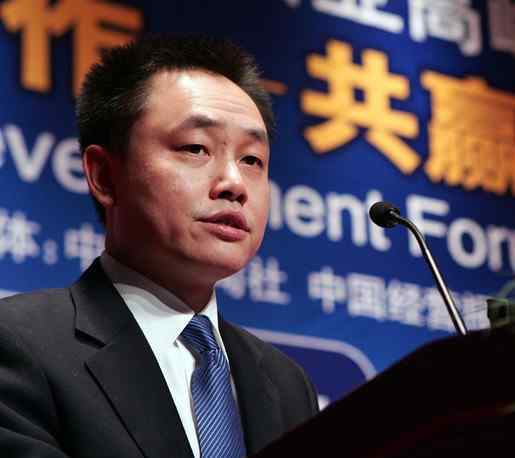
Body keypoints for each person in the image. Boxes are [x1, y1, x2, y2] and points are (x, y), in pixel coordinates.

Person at [0, 35, 318, 458]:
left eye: (252, 160)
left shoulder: (287, 385)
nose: (234, 183)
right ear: (104, 176)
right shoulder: (17, 343)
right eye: (196, 148)